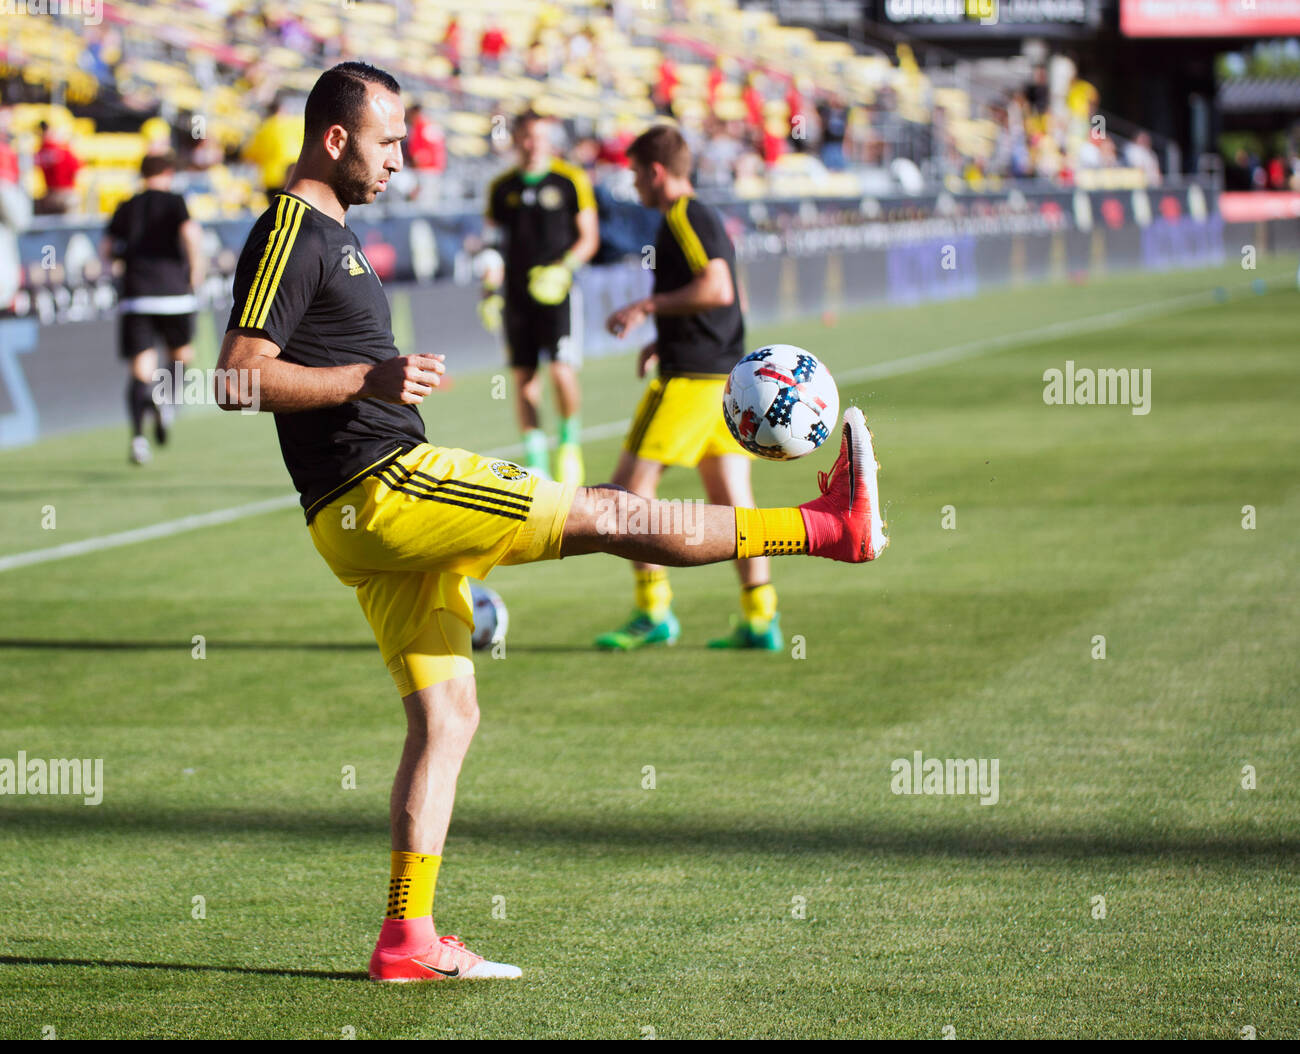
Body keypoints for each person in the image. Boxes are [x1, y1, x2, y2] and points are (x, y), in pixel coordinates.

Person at [214, 61, 888, 983]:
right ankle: (826, 529)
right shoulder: (291, 230)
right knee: (610, 510)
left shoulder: (336, 233)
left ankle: (406, 940)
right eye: (387, 142)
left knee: (448, 715)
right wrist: (363, 381)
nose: (402, 162)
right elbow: (237, 376)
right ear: (335, 139)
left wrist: (368, 378)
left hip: (358, 514)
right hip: (382, 486)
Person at [597, 124, 782, 651]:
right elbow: (727, 290)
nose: (634, 184)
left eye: (635, 173)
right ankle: (760, 618)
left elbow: (717, 287)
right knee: (735, 507)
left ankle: (654, 611)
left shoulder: (683, 216)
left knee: (623, 497)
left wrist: (648, 307)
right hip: (724, 378)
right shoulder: (701, 216)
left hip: (692, 384)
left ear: (656, 171)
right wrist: (669, 336)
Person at [480, 110, 598, 485]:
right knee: (524, 379)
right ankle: (537, 461)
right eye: (526, 136)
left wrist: (564, 268)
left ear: (550, 140)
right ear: (516, 139)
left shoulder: (570, 180)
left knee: (562, 371)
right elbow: (492, 244)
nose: (532, 144)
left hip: (557, 294)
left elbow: (589, 238)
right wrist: (489, 288)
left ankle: (569, 444)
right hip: (516, 297)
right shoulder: (501, 187)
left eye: (539, 136)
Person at [102, 152, 205, 465]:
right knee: (182, 355)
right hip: (174, 293)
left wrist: (119, 270)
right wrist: (195, 271)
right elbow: (190, 235)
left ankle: (137, 439)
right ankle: (167, 404)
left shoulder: (126, 206)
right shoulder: (175, 202)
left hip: (137, 296)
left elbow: (106, 248)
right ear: (168, 173)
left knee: (141, 369)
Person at [33, 121, 82, 215]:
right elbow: (77, 173)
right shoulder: (64, 150)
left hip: (49, 195)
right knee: (71, 226)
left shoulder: (41, 151)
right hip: (66, 195)